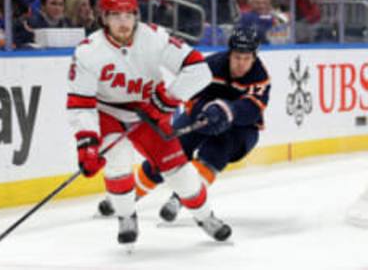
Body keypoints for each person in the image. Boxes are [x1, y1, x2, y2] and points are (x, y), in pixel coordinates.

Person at [67, 0, 231, 247]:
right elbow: (80, 102)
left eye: (128, 14)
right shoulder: (88, 51)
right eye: (115, 15)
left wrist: (166, 100)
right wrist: (86, 143)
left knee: (181, 174)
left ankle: (205, 216)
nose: (123, 22)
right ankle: (125, 215)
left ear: (136, 15)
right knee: (118, 162)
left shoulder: (155, 37)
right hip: (108, 113)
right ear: (103, 18)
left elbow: (199, 70)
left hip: (149, 113)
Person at [98, 27, 271, 224]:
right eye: (237, 57)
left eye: (246, 58)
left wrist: (227, 110)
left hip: (241, 127)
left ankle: (180, 199)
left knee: (214, 155)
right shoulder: (211, 66)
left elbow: (253, 108)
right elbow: (190, 94)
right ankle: (129, 196)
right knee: (169, 152)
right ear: (230, 53)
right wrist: (203, 110)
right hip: (203, 115)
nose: (241, 63)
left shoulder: (260, 76)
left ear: (254, 57)